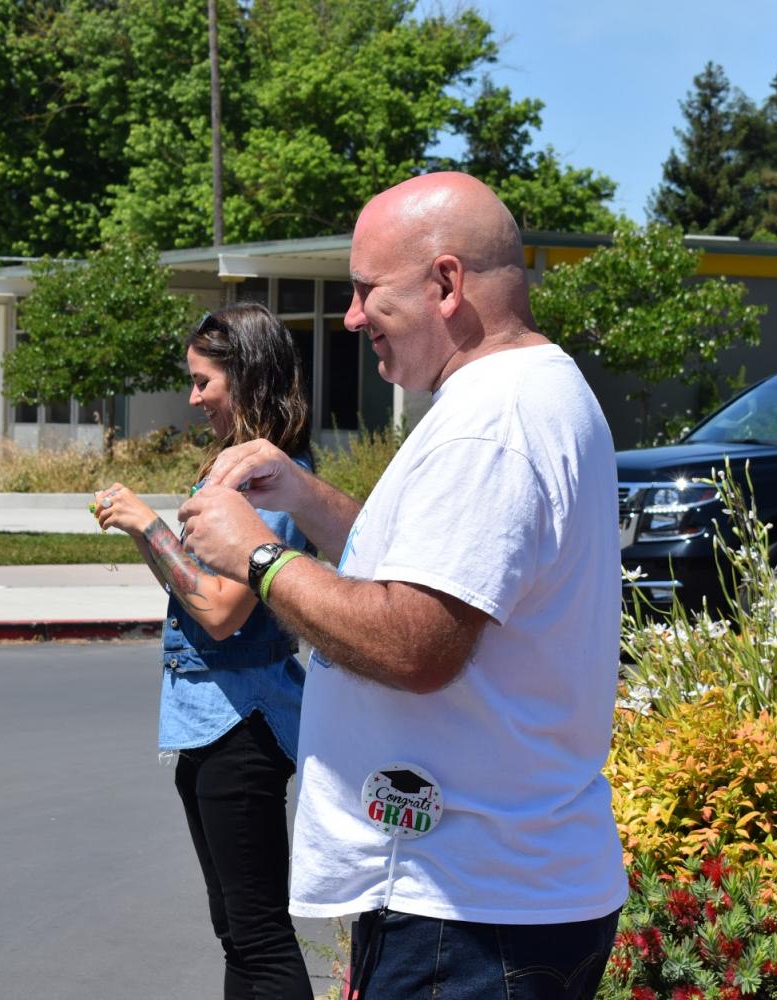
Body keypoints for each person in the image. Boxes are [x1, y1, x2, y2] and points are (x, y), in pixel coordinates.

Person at [179, 172, 626, 999]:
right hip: (488, 898)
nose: (351, 319)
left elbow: (415, 642)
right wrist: (303, 497)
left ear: (446, 284)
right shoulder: (525, 394)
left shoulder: (490, 426)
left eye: (364, 291)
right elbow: (430, 571)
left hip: (465, 908)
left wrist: (260, 557)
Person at [92, 303, 313, 1000]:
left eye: (202, 382)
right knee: (238, 934)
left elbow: (219, 608)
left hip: (241, 726)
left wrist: (144, 524)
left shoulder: (269, 478)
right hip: (210, 723)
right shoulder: (232, 471)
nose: (193, 399)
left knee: (259, 937)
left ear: (245, 379)